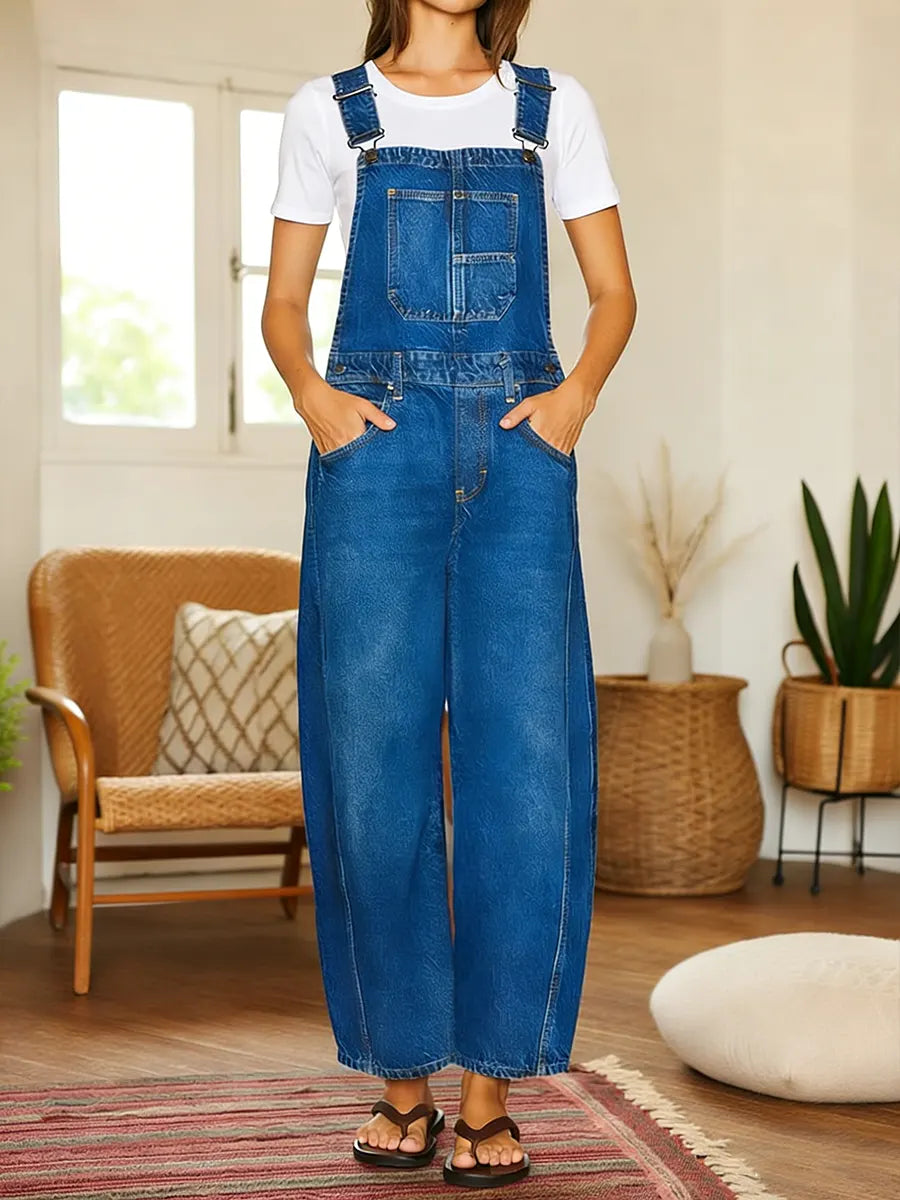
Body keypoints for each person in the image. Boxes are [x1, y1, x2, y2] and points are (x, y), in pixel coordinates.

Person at [262, 0, 636, 1187]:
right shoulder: (331, 112)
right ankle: (402, 1079)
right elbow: (284, 304)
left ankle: (489, 1089)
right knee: (372, 768)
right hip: (374, 453)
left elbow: (614, 292)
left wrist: (572, 402)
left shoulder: (550, 110)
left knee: (526, 767)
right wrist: (317, 402)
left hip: (522, 455)